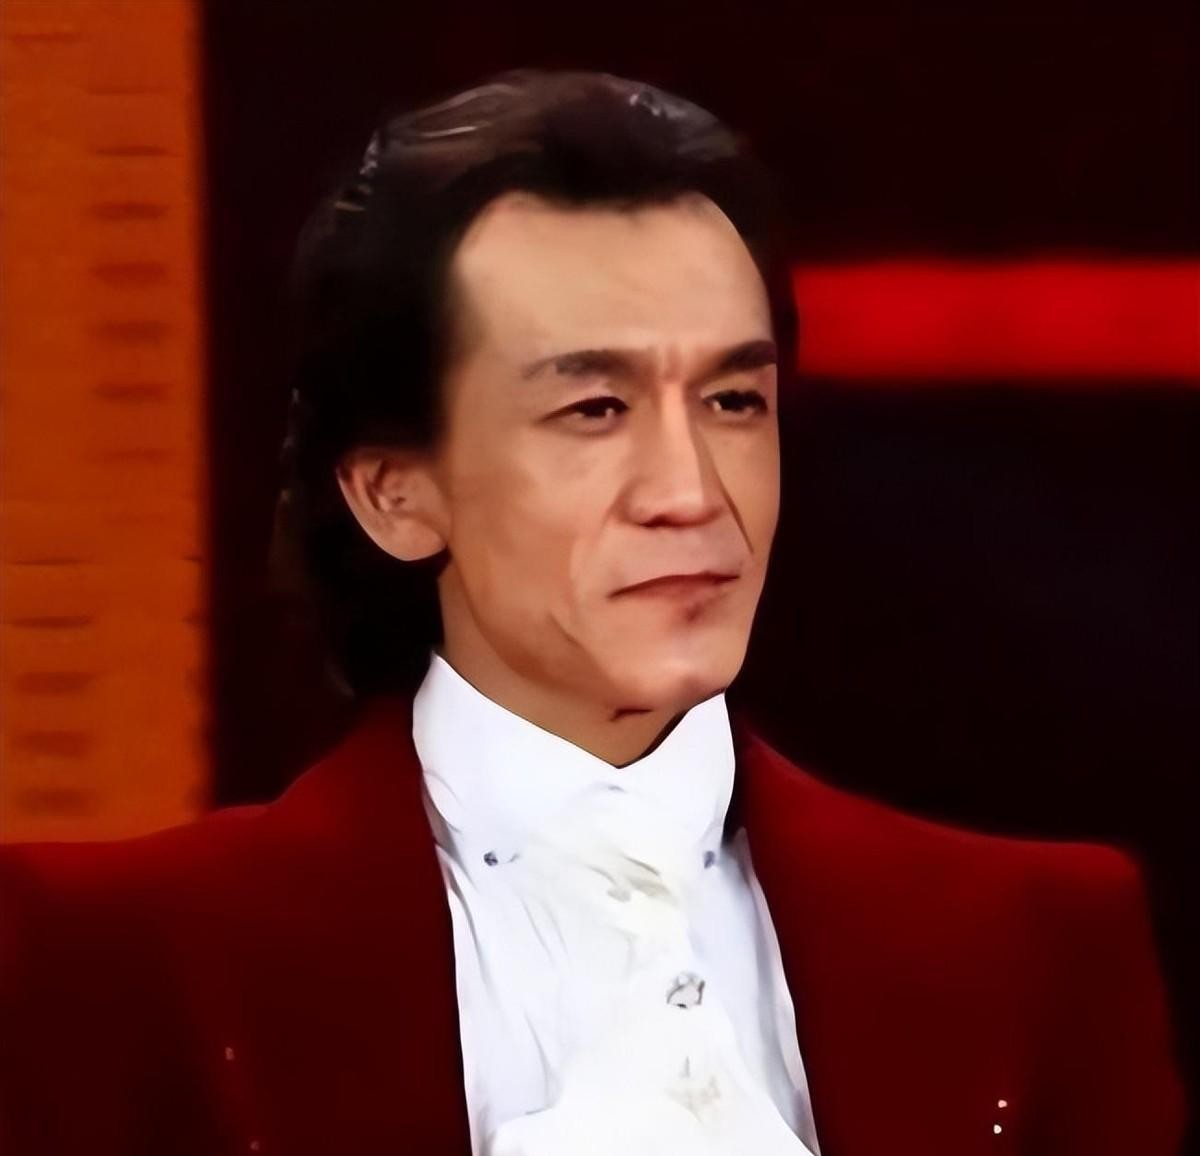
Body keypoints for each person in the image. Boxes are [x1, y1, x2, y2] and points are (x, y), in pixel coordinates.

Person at [0, 69, 1186, 1156]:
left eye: (732, 400)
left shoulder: (1037, 946)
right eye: (594, 411)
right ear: (394, 492)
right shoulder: (126, 958)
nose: (691, 493)